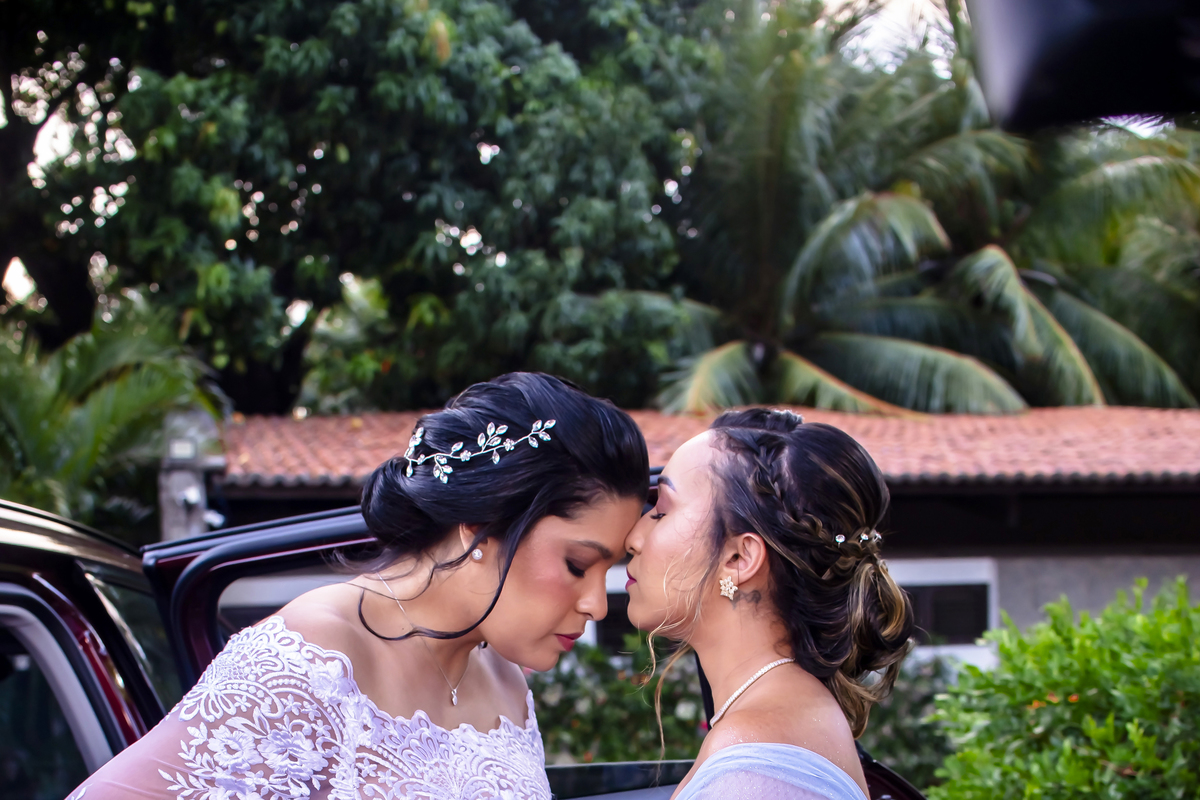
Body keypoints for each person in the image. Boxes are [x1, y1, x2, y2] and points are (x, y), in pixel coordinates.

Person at [68, 372, 648, 800]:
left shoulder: (505, 680)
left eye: (609, 571)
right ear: (483, 527)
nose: (597, 603)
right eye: (577, 564)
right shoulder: (310, 661)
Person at [624, 408, 913, 800]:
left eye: (660, 511)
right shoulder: (797, 714)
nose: (633, 538)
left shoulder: (749, 772)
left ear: (739, 559)